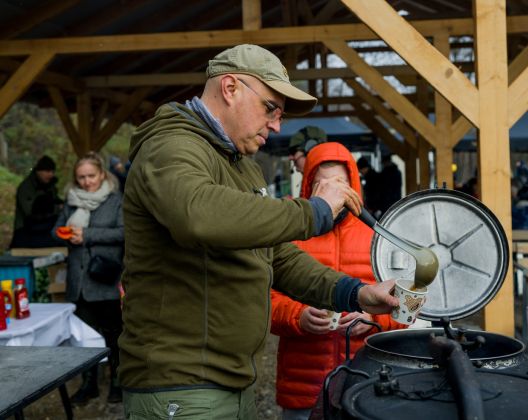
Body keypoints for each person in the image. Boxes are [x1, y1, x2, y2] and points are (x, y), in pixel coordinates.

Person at [118, 44, 399, 419]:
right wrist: (314, 212)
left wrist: (356, 293)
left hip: (231, 381)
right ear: (230, 88)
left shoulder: (241, 165)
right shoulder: (171, 147)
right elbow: (198, 215)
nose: (277, 125)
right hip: (182, 384)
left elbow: (278, 256)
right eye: (270, 108)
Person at [271, 143, 406, 420]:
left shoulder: (379, 239)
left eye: (341, 183)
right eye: (324, 184)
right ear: (309, 187)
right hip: (303, 388)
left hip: (366, 385)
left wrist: (373, 319)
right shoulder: (290, 234)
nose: (335, 192)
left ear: (354, 185)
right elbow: (262, 303)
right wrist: (298, 316)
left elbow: (408, 308)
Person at [52, 152, 124, 404]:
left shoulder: (115, 201)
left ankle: (118, 383)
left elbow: (125, 233)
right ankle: (89, 384)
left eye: (91, 176)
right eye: (81, 177)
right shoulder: (71, 201)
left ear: (102, 174)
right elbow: (54, 230)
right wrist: (64, 234)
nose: (86, 182)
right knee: (84, 337)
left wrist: (88, 235)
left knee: (114, 336)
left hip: (105, 279)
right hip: (78, 281)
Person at [10, 155, 63, 248]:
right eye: (47, 171)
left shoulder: (50, 187)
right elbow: (30, 211)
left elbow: (56, 201)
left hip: (46, 230)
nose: (51, 175)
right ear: (38, 171)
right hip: (25, 231)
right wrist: (56, 208)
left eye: (52, 172)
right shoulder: (26, 187)